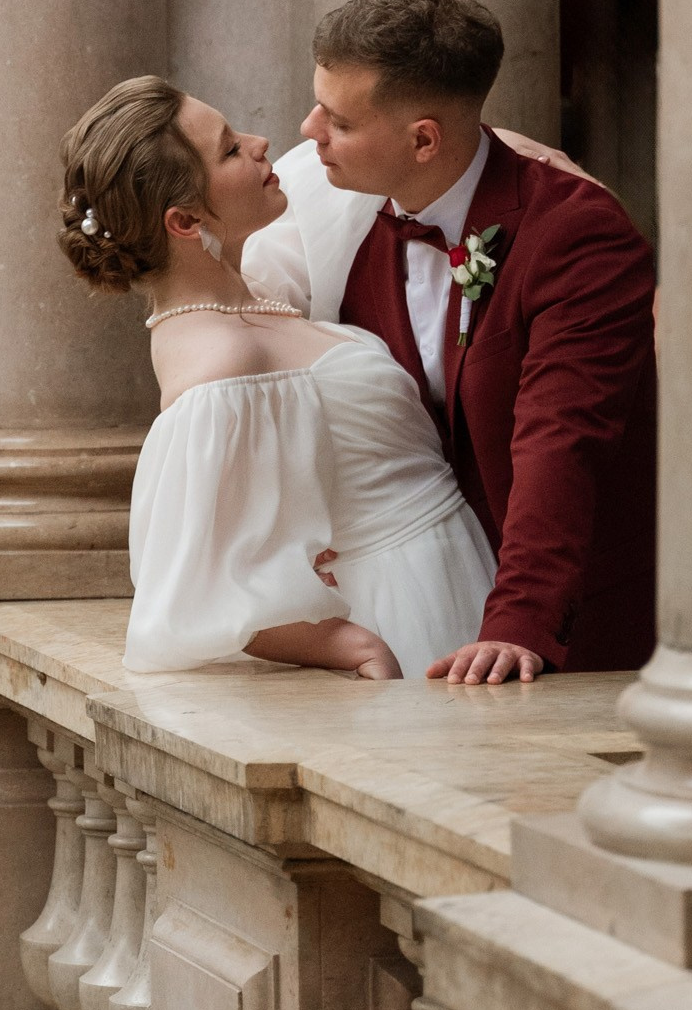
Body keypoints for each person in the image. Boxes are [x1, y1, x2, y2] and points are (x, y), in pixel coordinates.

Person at [243, 0, 656, 683]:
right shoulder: (340, 222)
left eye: (338, 120)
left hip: (573, 626)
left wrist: (519, 621)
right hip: (430, 601)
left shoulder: (578, 234)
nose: (309, 131)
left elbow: (563, 437)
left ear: (424, 139)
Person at [58, 75, 497, 682]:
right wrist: (351, 645)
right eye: (230, 149)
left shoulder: (254, 292)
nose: (261, 142)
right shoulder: (219, 366)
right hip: (410, 607)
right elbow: (198, 587)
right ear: (184, 221)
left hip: (461, 569)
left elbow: (410, 148)